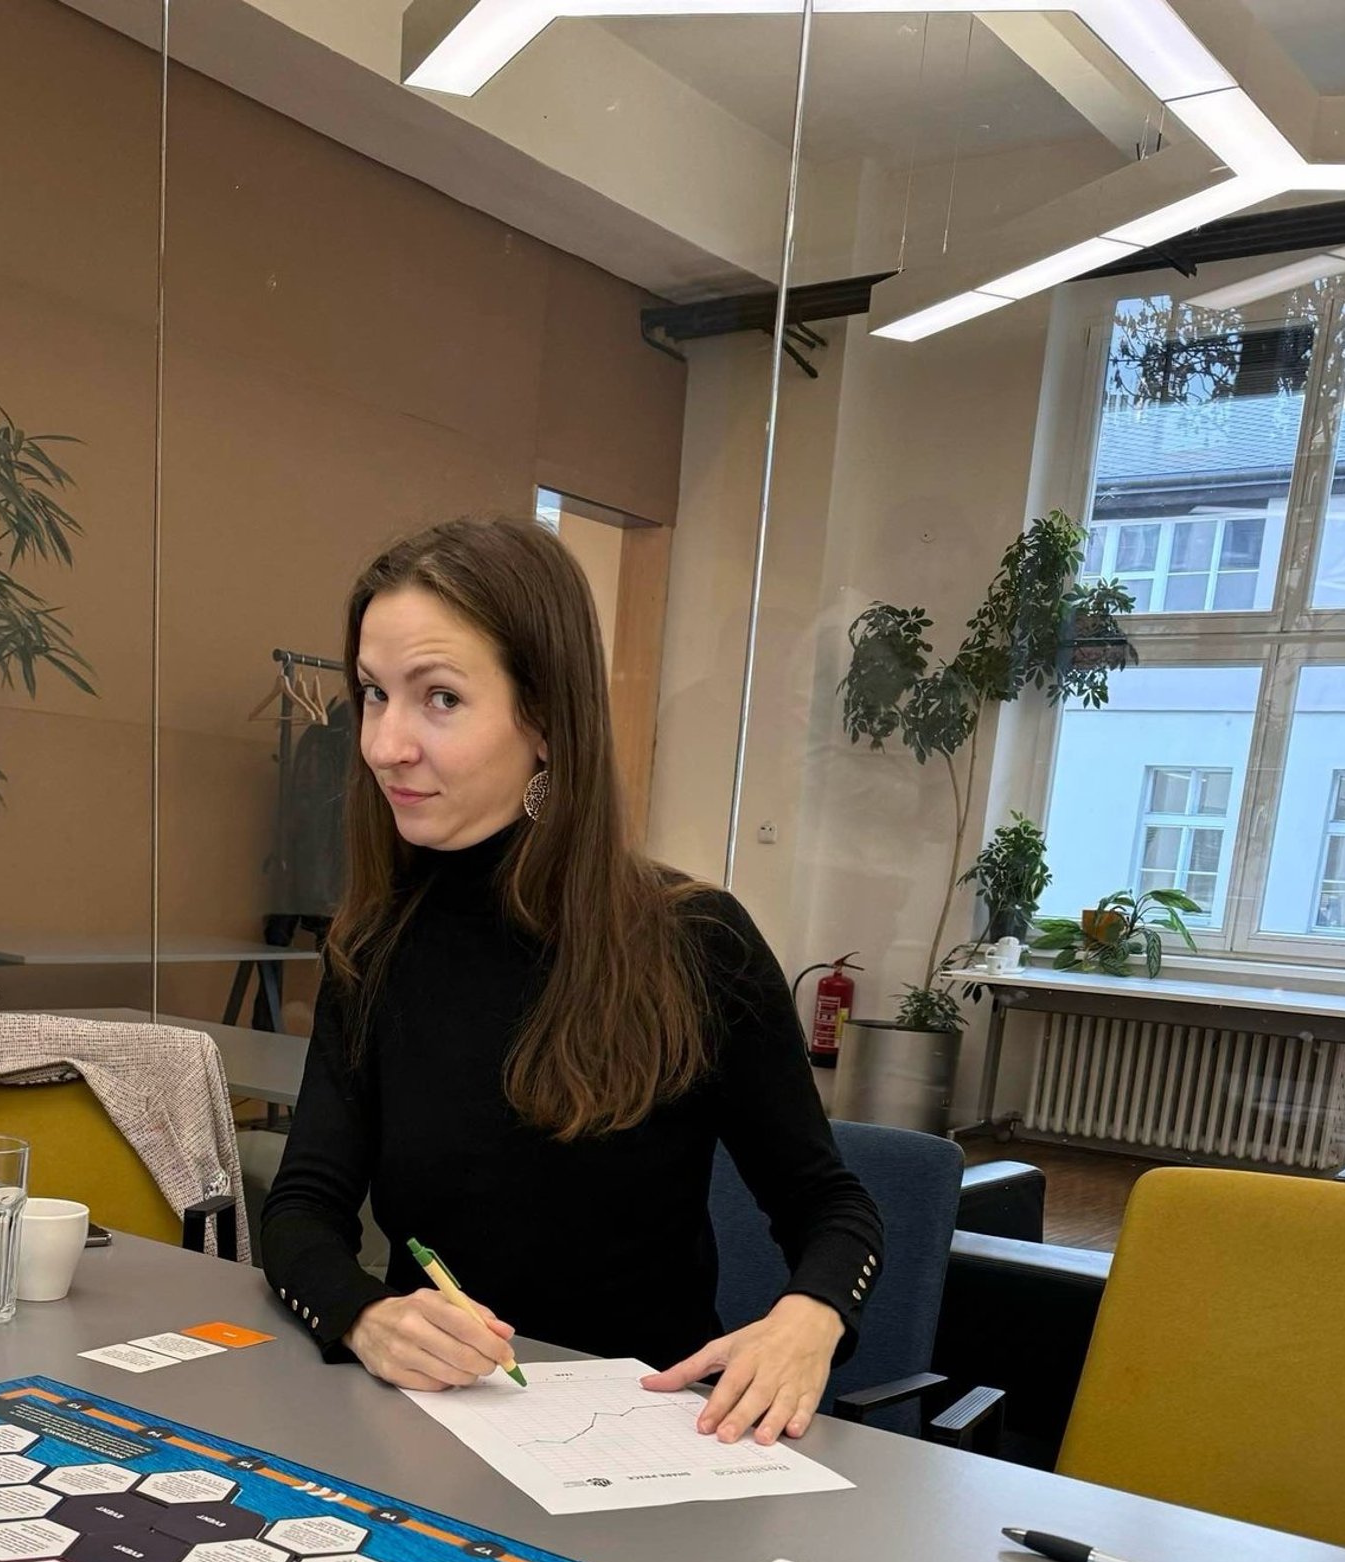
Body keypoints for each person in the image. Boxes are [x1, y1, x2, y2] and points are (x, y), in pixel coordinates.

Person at [261, 517, 883, 1447]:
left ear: (545, 719)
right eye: (374, 695)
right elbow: (302, 1208)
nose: (386, 744)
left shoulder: (693, 939)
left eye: (438, 699)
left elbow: (833, 1208)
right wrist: (365, 1316)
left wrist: (812, 1316)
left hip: (647, 1445)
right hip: (431, 1432)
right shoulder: (376, 943)